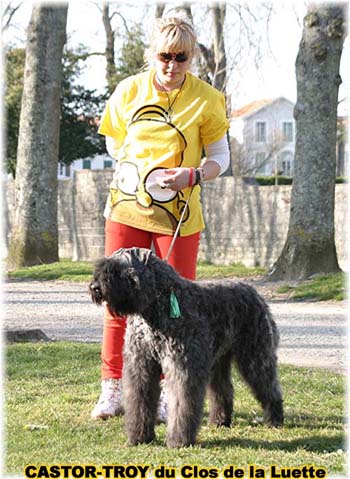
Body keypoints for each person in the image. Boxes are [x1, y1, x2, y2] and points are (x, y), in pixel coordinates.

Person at [91, 15, 230, 420]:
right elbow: (116, 144)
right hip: (127, 208)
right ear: (152, 54)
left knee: (177, 307)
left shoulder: (206, 98)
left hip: (179, 218)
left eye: (181, 58)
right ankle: (112, 389)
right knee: (115, 301)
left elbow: (221, 158)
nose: (172, 65)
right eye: (164, 56)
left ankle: (173, 394)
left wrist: (194, 174)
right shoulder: (128, 91)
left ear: (191, 58)